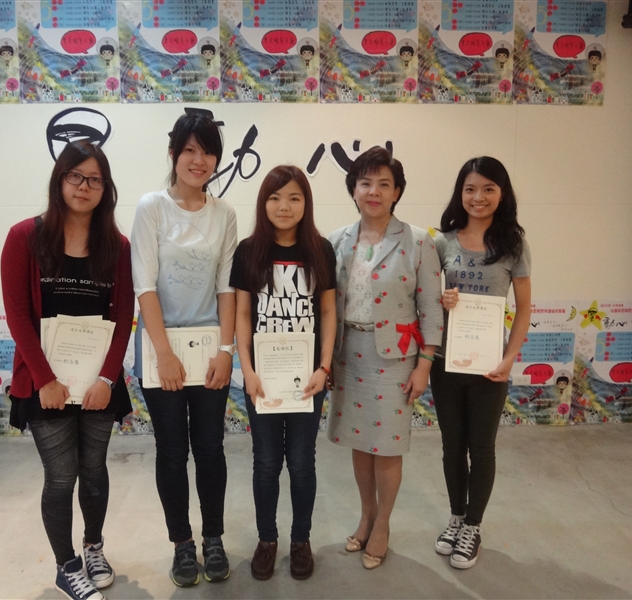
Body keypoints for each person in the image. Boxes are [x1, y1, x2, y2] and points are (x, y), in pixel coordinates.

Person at [1, 140, 134, 600]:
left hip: (98, 384)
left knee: (94, 471)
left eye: (95, 179)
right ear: (60, 180)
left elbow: (123, 316)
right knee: (61, 477)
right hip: (46, 386)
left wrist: (107, 379)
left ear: (105, 188)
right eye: (75, 176)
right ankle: (66, 566)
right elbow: (18, 314)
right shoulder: (25, 237)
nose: (84, 186)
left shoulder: (117, 246)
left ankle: (93, 547)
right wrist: (44, 380)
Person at [130, 110, 237, 587]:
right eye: (190, 150)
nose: (199, 160)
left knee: (210, 448)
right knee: (172, 452)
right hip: (162, 350)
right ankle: (182, 544)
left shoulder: (225, 214)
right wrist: (164, 353)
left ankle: (213, 538)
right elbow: (144, 285)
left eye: (208, 151)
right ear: (173, 153)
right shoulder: (151, 207)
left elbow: (227, 288)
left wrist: (227, 350)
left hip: (209, 350)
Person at [326, 147, 443, 569]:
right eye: (365, 183)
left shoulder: (418, 241)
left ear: (397, 192)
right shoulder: (337, 241)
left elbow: (430, 307)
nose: (373, 191)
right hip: (348, 354)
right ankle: (367, 515)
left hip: (395, 360)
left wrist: (424, 365)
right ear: (353, 189)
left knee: (388, 447)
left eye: (383, 184)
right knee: (360, 444)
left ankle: (384, 524)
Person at [230, 166, 336, 581]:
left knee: (303, 462)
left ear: (305, 203)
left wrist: (324, 367)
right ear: (264, 203)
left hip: (308, 379)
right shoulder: (248, 251)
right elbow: (242, 314)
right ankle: (267, 539)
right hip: (263, 378)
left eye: (294, 197)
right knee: (266, 462)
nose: (284, 206)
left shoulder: (320, 250)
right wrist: (247, 370)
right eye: (275, 198)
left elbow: (328, 311)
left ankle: (300, 540)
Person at [430, 156, 531, 569]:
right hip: (446, 362)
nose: (478, 197)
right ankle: (456, 517)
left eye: (488, 188)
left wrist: (509, 358)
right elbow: (424, 300)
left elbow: (524, 308)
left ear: (502, 194)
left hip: (490, 366)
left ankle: (473, 525)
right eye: (470, 189)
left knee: (482, 447)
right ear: (460, 193)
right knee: (452, 446)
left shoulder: (514, 245)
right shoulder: (442, 243)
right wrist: (441, 299)